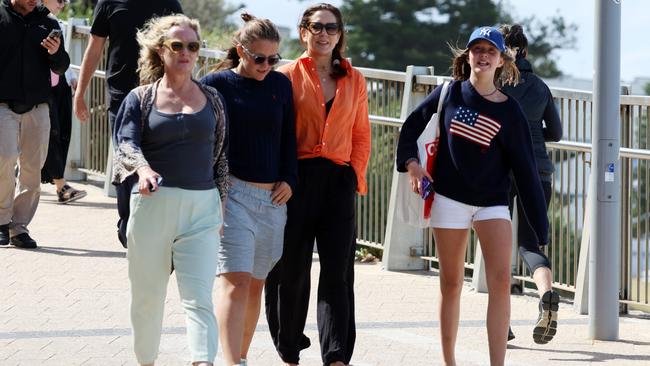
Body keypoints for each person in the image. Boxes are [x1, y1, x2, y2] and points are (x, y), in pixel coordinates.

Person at [396, 26, 549, 365]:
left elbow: (525, 172)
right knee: (451, 284)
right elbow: (410, 127)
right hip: (449, 199)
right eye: (476, 50)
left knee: (500, 283)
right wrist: (411, 164)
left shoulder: (511, 111)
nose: (482, 56)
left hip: (492, 203)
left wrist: (541, 227)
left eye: (490, 51)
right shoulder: (448, 93)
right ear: (467, 57)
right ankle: (449, 361)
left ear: (501, 61)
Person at [111, 14, 228, 366]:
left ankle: (202, 361)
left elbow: (221, 157)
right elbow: (126, 142)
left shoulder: (213, 99)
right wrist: (143, 169)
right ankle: (146, 361)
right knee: (147, 298)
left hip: (202, 209)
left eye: (193, 46)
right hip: (152, 206)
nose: (186, 53)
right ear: (161, 51)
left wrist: (221, 205)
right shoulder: (140, 98)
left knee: (199, 298)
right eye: (177, 46)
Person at [264, 3, 371, 366]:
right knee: (291, 270)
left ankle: (337, 355)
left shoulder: (354, 79)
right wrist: (279, 177)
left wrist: (354, 175)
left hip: (338, 181)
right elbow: (274, 132)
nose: (324, 33)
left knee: (337, 273)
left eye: (332, 28)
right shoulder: (285, 75)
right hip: (295, 180)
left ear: (340, 34)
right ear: (303, 32)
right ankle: (290, 347)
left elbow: (361, 134)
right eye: (317, 27)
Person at [201, 13, 297, 366]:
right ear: (241, 51)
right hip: (232, 196)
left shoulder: (280, 85)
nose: (267, 65)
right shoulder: (215, 84)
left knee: (256, 285)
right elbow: (200, 137)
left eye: (274, 59)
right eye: (259, 58)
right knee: (236, 281)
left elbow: (289, 136)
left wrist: (290, 178)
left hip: (273, 200)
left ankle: (240, 356)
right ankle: (230, 362)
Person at [73, 0, 182, 247]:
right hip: (121, 97)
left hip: (159, 97)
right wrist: (81, 94)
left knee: (157, 162)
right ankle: (127, 224)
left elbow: (183, 45)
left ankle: (151, 229)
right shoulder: (110, 2)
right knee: (127, 158)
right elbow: (94, 47)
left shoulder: (169, 2)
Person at [499, 23, 562, 344]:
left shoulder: (493, 85)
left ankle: (503, 321)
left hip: (501, 172)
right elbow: (556, 133)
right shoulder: (539, 87)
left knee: (496, 244)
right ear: (525, 51)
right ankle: (547, 294)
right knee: (529, 244)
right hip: (539, 170)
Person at [0, 0, 70, 249]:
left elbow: (61, 67)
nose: (34, 0)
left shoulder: (48, 22)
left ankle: (18, 227)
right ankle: (1, 219)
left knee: (32, 170)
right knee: (4, 158)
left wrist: (56, 53)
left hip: (39, 107)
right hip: (3, 105)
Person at [40, 0, 87, 204]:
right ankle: (61, 186)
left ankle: (57, 183)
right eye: (59, 0)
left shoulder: (54, 23)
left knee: (60, 132)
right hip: (40, 89)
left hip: (58, 85)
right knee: (51, 133)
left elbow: (59, 57)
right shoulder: (34, 22)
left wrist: (69, 75)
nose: (63, 4)